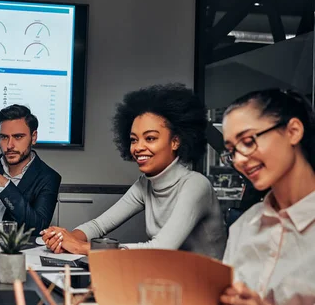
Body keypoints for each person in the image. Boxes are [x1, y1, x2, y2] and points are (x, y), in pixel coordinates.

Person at [41, 83, 226, 259]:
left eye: (150, 138)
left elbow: (159, 249)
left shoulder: (196, 184)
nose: (138, 148)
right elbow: (98, 225)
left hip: (206, 285)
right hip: (168, 279)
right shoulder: (145, 184)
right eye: (133, 140)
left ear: (175, 141)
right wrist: (65, 239)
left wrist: (83, 247)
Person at [219, 89, 315, 305]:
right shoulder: (246, 225)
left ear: (293, 131)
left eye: (248, 141)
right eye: (231, 150)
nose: (239, 159)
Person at [0, 104, 61, 233]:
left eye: (18, 137)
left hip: (13, 249)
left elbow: (37, 228)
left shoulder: (48, 177)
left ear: (33, 137)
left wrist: (4, 184)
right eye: (4, 137)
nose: (9, 145)